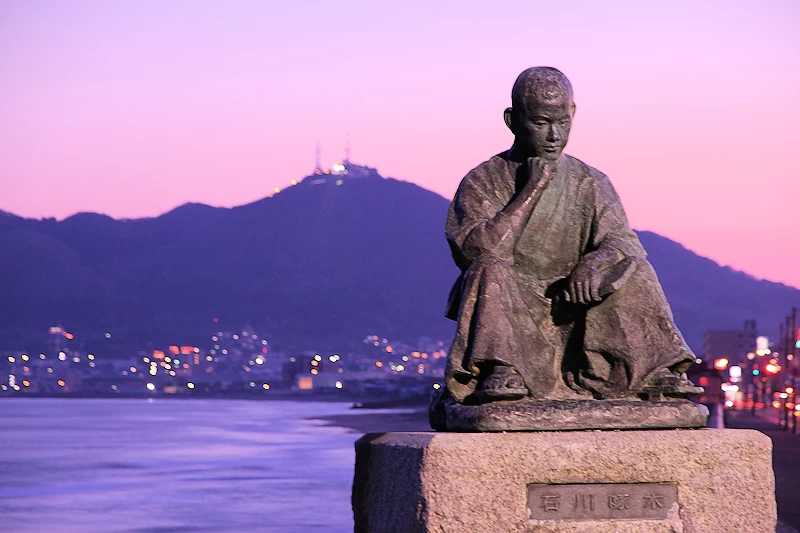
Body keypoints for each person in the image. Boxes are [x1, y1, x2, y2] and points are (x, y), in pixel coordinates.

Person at [443, 67, 700, 404]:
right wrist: (532, 190)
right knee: (490, 269)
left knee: (635, 266)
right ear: (512, 119)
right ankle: (502, 368)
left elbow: (623, 241)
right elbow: (477, 253)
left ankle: (656, 372)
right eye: (540, 123)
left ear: (572, 114)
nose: (553, 135)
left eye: (561, 123)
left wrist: (595, 262)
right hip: (512, 305)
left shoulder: (589, 182)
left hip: (574, 303)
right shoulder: (482, 180)